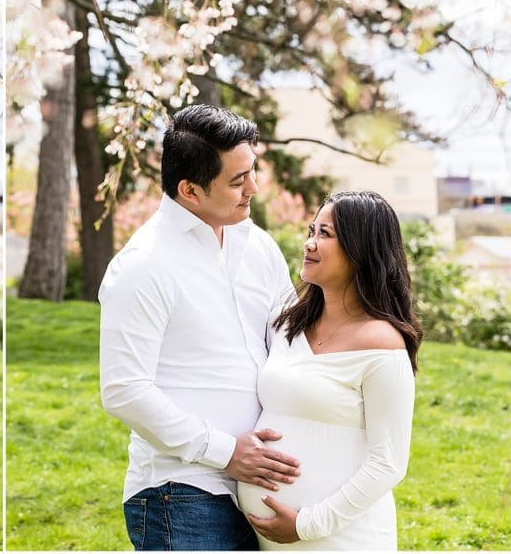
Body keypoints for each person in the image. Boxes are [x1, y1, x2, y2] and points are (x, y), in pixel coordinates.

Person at [100, 103, 302, 551]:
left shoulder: (259, 246)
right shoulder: (143, 265)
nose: (253, 188)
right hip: (183, 493)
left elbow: (291, 344)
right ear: (190, 190)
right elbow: (124, 389)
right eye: (237, 180)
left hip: (264, 490)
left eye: (252, 171)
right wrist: (227, 452)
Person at [238, 191, 421, 549]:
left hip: (342, 536)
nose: (309, 243)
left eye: (325, 234)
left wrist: (308, 524)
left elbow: (389, 463)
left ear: (361, 249)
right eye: (311, 230)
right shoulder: (284, 325)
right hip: (273, 541)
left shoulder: (383, 344)